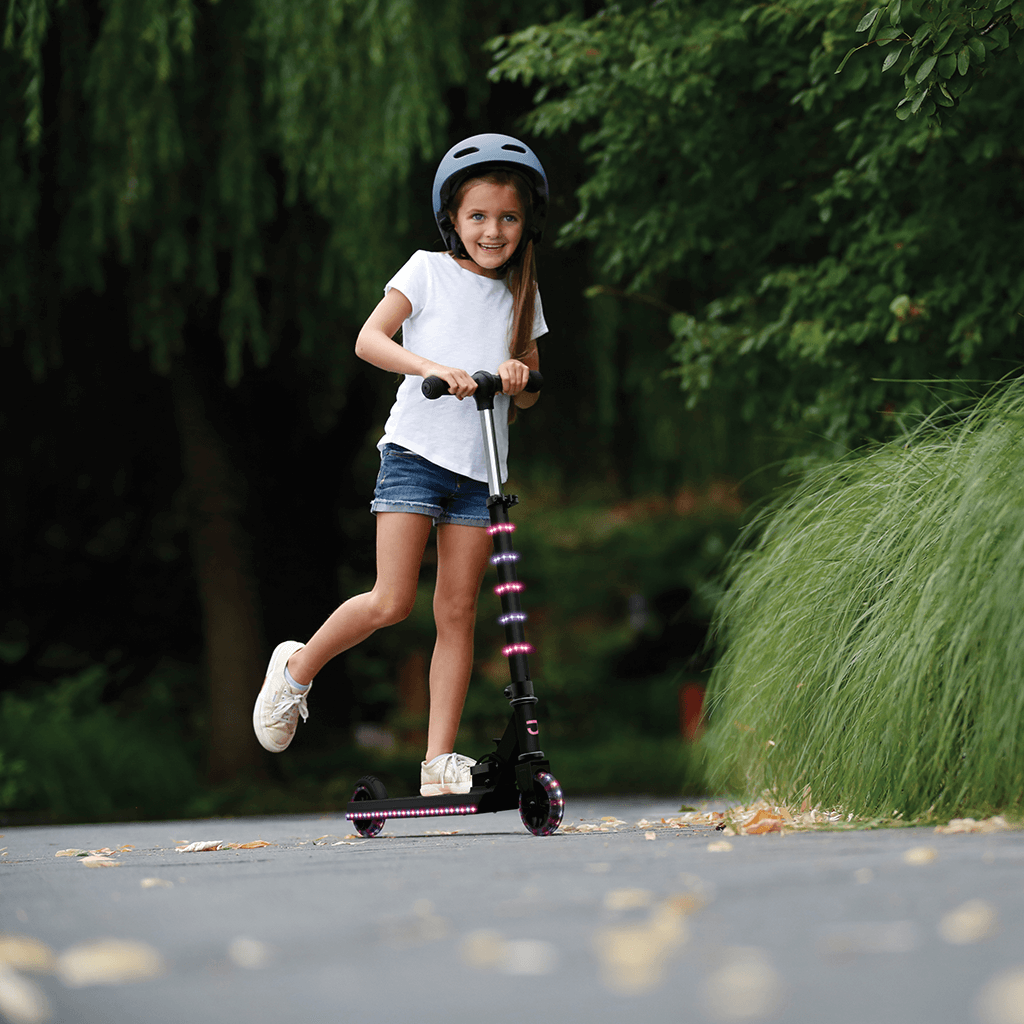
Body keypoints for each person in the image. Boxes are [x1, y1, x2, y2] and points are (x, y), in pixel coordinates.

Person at [252, 134, 549, 796]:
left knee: (457, 612)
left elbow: (530, 390)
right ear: (452, 218)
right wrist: (431, 368)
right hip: (415, 455)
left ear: (526, 222)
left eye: (507, 217)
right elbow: (369, 339)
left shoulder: (523, 295)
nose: (493, 230)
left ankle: (437, 761)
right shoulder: (425, 269)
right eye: (478, 216)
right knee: (390, 601)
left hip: (480, 470)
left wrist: (515, 374)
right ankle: (297, 669)